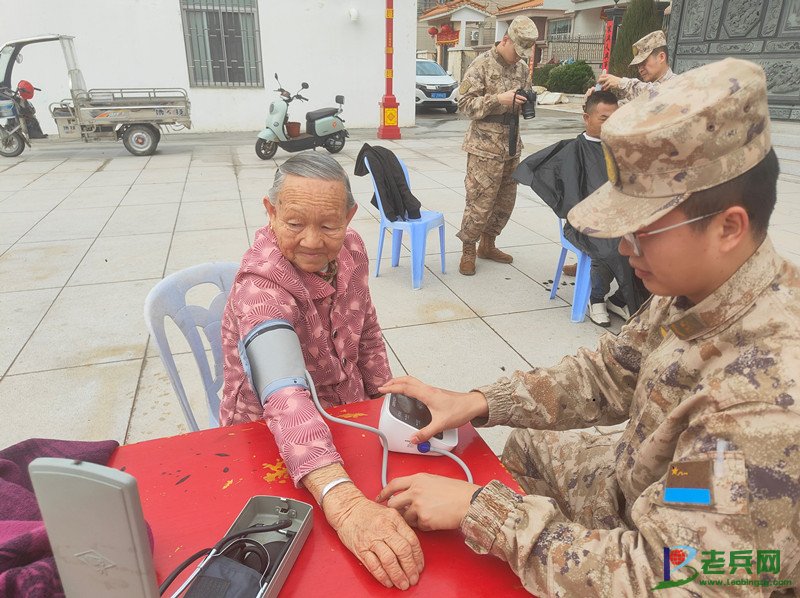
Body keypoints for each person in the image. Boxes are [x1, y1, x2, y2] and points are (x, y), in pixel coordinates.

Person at [376, 58, 800, 595]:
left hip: (665, 552)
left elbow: (673, 577)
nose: (623, 247)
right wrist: (478, 401)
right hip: (637, 483)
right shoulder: (701, 287)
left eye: (641, 232)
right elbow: (613, 369)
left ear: (728, 227)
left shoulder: (766, 405)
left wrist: (488, 514)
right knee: (526, 446)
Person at [221, 152, 423, 591]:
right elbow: (284, 396)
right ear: (271, 211)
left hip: (346, 415)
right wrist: (345, 504)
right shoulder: (259, 288)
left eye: (329, 225)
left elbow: (367, 330)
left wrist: (385, 403)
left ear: (349, 217)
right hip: (270, 432)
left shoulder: (352, 250)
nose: (312, 241)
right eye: (294, 223)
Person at [513, 90, 648, 326]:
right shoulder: (573, 151)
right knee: (611, 246)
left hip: (621, 219)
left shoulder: (623, 149)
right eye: (604, 118)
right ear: (587, 118)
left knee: (653, 240)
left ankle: (619, 299)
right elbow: (568, 197)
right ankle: (596, 298)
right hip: (582, 224)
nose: (610, 124)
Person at [456, 16, 538, 276]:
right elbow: (464, 105)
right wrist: (497, 100)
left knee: (505, 202)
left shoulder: (521, 69)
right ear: (505, 40)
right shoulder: (480, 64)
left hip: (511, 145)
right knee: (479, 201)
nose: (519, 57)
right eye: (518, 50)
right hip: (484, 148)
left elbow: (523, 97)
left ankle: (488, 244)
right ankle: (469, 249)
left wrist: (526, 102)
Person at [591, 30, 675, 105]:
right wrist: (595, 100)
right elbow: (619, 107)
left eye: (643, 63)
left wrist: (621, 83)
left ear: (661, 57)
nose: (640, 69)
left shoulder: (676, 85)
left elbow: (657, 93)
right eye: (638, 65)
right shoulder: (640, 92)